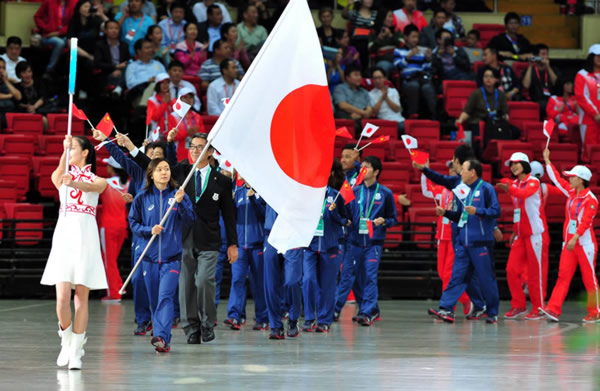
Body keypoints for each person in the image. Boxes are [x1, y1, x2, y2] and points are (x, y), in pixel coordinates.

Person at [40, 135, 108, 369]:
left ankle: (77, 350)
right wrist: (63, 151)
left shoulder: (99, 180)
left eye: (73, 149)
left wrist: (75, 182)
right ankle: (66, 341)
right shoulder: (62, 176)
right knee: (61, 300)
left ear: (86, 152)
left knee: (81, 297)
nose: (70, 154)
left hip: (86, 239)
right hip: (64, 238)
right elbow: (57, 176)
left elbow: (92, 187)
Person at [169, 133, 238, 345]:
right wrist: (169, 143)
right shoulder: (182, 173)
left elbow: (229, 214)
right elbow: (155, 165)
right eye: (192, 147)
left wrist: (233, 244)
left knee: (204, 280)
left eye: (200, 147)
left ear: (210, 152)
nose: (195, 151)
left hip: (210, 240)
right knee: (186, 283)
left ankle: (207, 323)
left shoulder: (222, 181)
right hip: (185, 239)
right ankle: (191, 327)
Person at [414, 144, 493, 321]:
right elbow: (437, 181)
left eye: (454, 163)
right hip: (452, 233)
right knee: (461, 274)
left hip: (465, 235)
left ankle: (448, 308)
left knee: (456, 273)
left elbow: (487, 208)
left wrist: (491, 227)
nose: (452, 167)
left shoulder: (475, 186)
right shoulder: (453, 185)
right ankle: (479, 305)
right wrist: (424, 169)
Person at [129, 158, 195, 352]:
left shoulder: (177, 195)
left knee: (165, 297)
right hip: (148, 259)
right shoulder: (142, 197)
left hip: (171, 258)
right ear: (151, 174)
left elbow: (190, 219)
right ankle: (161, 335)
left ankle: (161, 338)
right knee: (154, 300)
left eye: (167, 169)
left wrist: (182, 204)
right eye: (159, 169)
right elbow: (133, 223)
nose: (164, 172)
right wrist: (149, 230)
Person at [428, 159, 501, 324]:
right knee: (456, 277)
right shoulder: (463, 191)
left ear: (473, 172)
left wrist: (478, 210)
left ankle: (492, 312)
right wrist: (445, 212)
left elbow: (496, 211)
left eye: (464, 170)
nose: (461, 173)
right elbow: (460, 216)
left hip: (481, 243)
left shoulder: (486, 189)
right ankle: (446, 309)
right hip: (463, 243)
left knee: (486, 279)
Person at [540, 148, 599, 323]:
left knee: (589, 279)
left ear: (581, 180)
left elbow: (586, 222)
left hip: (584, 244)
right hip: (570, 244)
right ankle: (553, 309)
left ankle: (595, 311)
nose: (569, 179)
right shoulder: (572, 192)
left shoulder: (591, 200)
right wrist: (547, 160)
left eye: (572, 176)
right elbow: (557, 180)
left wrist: (574, 239)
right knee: (563, 275)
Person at [496, 152, 549, 320]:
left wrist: (509, 187)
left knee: (535, 273)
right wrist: (514, 231)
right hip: (520, 235)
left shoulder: (533, 182)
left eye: (516, 163)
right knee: (511, 269)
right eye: (511, 164)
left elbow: (524, 194)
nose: (513, 166)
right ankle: (518, 305)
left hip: (534, 234)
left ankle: (539, 307)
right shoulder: (516, 183)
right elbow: (518, 209)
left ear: (525, 164)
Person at [346, 156, 397, 325]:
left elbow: (393, 218)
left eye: (366, 167)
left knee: (369, 276)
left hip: (374, 243)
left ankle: (367, 312)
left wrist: (385, 221)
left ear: (376, 172)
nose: (363, 170)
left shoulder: (385, 193)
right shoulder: (355, 191)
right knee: (357, 278)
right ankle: (369, 309)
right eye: (361, 167)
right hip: (355, 242)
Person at [420, 161, 474, 315]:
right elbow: (425, 190)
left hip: (454, 236)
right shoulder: (441, 190)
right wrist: (425, 170)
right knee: (441, 272)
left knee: (448, 273)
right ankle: (465, 299)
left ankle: (448, 308)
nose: (451, 170)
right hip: (441, 236)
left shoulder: (463, 190)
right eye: (449, 167)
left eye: (454, 167)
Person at [303, 160, 349, 332]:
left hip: (331, 246)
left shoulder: (337, 196)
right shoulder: (306, 196)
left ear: (329, 174)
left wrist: (335, 213)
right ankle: (309, 318)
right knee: (308, 280)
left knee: (327, 285)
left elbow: (347, 220)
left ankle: (324, 320)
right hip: (310, 247)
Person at [225, 177, 269, 330]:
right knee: (237, 279)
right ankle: (235, 316)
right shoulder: (235, 191)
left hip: (257, 244)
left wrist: (254, 198)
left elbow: (265, 215)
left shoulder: (263, 190)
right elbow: (230, 217)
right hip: (239, 245)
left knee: (259, 283)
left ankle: (263, 317)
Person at [263, 204, 303, 339]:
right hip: (272, 234)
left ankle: (293, 318)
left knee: (292, 280)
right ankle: (275, 325)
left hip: (292, 234)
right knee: (271, 283)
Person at [98, 157, 129, 303]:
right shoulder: (128, 184)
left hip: (108, 226)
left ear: (112, 168)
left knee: (109, 261)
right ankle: (118, 287)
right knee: (112, 260)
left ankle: (115, 293)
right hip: (122, 225)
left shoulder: (106, 184)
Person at [393, 24, 435, 118]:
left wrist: (428, 60)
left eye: (417, 37)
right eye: (413, 37)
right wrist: (409, 56)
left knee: (428, 87)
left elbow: (426, 68)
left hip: (421, 77)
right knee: (413, 85)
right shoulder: (398, 51)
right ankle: (413, 114)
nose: (416, 40)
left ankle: (433, 116)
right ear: (406, 37)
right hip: (408, 78)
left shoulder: (421, 51)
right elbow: (397, 66)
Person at [457, 66, 509, 137]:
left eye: (491, 76)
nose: (488, 79)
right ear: (482, 79)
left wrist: (505, 119)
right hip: (478, 122)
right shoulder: (476, 93)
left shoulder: (500, 94)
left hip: (494, 123)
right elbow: (467, 111)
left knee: (513, 132)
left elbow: (505, 113)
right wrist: (460, 120)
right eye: (486, 76)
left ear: (496, 79)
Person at [33, 0, 76, 77]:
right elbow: (37, 17)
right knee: (60, 43)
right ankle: (49, 70)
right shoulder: (49, 2)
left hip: (63, 35)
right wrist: (46, 28)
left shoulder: (72, 3)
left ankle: (70, 72)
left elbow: (72, 23)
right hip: (47, 35)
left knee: (72, 42)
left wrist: (58, 33)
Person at [573, 44, 600, 160]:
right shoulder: (582, 75)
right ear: (591, 57)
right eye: (597, 56)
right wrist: (596, 114)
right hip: (589, 120)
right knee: (589, 150)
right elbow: (581, 97)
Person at [167, 88, 206, 162]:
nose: (188, 99)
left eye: (191, 97)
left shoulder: (197, 116)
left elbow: (203, 134)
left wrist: (195, 134)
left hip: (195, 153)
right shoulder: (173, 116)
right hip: (178, 153)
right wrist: (187, 132)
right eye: (185, 97)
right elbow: (171, 136)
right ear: (180, 99)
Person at [94, 20, 130, 97]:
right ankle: (117, 90)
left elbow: (128, 60)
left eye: (116, 28)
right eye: (111, 28)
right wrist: (115, 67)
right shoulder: (100, 45)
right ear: (105, 31)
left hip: (122, 72)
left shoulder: (124, 45)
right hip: (107, 72)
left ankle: (118, 89)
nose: (114, 31)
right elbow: (98, 63)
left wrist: (119, 69)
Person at [522, 44, 559, 118]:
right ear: (536, 56)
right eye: (543, 54)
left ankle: (550, 127)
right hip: (535, 100)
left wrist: (548, 67)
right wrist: (530, 66)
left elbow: (557, 83)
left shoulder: (553, 69)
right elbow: (526, 85)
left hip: (551, 101)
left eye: (547, 54)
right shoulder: (530, 70)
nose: (546, 57)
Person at [342, 0, 377, 72]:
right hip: (357, 42)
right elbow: (344, 15)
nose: (369, 1)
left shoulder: (375, 14)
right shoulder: (355, 13)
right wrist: (349, 5)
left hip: (371, 42)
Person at [15, 62, 51, 128]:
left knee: (44, 120)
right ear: (19, 74)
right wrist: (27, 107)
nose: (27, 75)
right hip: (23, 112)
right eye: (24, 72)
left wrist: (34, 107)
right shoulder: (17, 87)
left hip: (40, 111)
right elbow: (18, 102)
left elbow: (43, 98)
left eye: (29, 71)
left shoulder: (39, 83)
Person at [369, 68, 405, 134]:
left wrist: (386, 98)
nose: (377, 81)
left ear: (385, 78)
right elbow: (374, 112)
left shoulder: (393, 91)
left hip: (399, 121)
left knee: (405, 128)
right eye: (375, 78)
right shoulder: (371, 94)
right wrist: (382, 97)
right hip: (384, 122)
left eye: (379, 78)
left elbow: (397, 109)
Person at [369, 9, 403, 77]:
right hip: (382, 60)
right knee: (384, 66)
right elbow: (370, 49)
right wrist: (378, 39)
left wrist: (391, 36)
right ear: (383, 17)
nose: (391, 19)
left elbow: (402, 45)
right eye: (389, 16)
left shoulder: (396, 30)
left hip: (397, 59)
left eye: (392, 17)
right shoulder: (374, 31)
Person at [147, 72, 172, 137]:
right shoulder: (151, 100)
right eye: (162, 83)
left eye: (167, 82)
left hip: (170, 134)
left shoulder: (172, 99)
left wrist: (170, 102)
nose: (165, 85)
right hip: (156, 134)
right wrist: (165, 103)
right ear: (157, 84)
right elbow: (155, 117)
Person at [0, 58, 21, 128]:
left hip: (10, 113)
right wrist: (10, 95)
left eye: (3, 68)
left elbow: (18, 97)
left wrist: (6, 81)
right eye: (0, 67)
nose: (1, 70)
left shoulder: (8, 82)